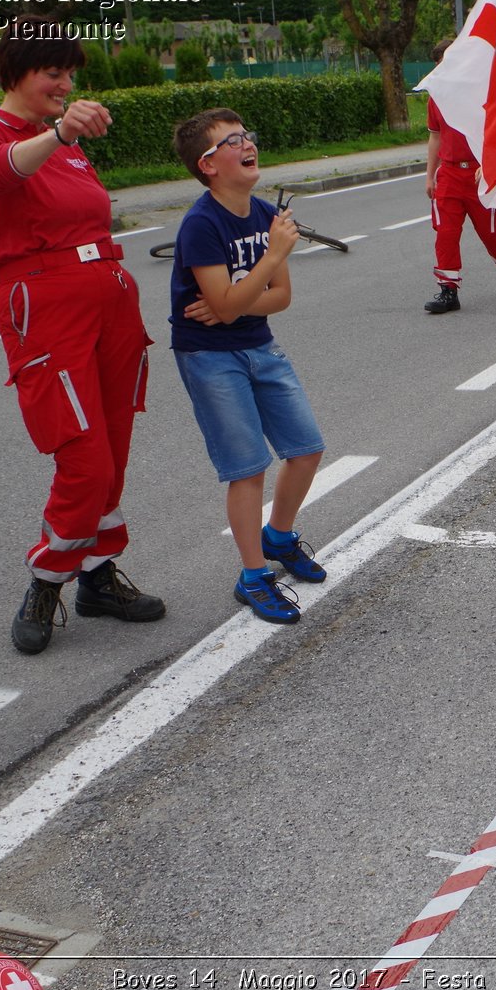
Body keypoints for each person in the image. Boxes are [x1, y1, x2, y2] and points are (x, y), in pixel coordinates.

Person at [0, 16, 164, 655]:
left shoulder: (64, 141)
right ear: (16, 73)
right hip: (43, 306)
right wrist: (57, 132)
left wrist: (61, 134)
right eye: (54, 73)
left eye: (70, 74)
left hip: (108, 298)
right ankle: (48, 579)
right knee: (82, 453)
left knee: (114, 444)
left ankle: (97, 577)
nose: (66, 84)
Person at [169, 108, 328, 624]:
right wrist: (265, 263)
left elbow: (279, 298)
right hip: (208, 356)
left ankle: (278, 537)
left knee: (306, 449)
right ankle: (252, 576)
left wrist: (233, 303)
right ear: (208, 164)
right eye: (231, 141)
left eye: (246, 136)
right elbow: (243, 292)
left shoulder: (263, 216)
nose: (247, 143)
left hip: (258, 345)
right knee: (248, 469)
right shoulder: (200, 224)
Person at [424, 38, 496, 314]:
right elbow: (435, 136)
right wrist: (430, 175)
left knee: (491, 233)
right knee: (446, 232)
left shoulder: (482, 93)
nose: (441, 69)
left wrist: (489, 163)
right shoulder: (436, 98)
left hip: (480, 176)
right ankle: (448, 290)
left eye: (446, 63)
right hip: (450, 175)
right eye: (438, 64)